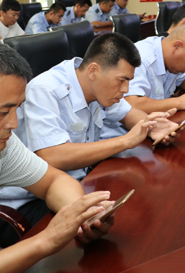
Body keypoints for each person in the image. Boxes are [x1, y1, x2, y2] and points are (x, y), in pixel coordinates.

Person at [0, 33, 182, 215]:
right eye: (122, 80)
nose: (126, 89)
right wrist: (126, 141)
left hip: (79, 180)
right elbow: (52, 156)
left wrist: (151, 127)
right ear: (93, 70)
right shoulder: (46, 90)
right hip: (32, 199)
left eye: (129, 81)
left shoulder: (98, 87)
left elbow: (129, 114)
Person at [0, 45, 114, 267]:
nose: (13, 123)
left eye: (18, 109)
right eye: (3, 112)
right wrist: (46, 241)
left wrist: (81, 213)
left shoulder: (6, 145)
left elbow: (54, 181)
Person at [124, 23, 185, 113]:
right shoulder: (142, 59)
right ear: (177, 46)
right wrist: (179, 102)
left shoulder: (172, 57)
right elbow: (131, 104)